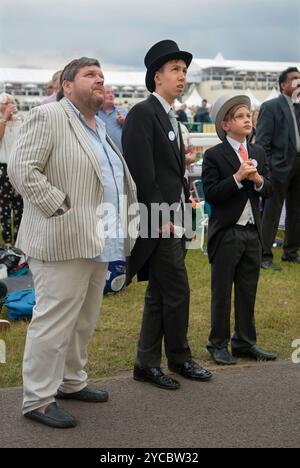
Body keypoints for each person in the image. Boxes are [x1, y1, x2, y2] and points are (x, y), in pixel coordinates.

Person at [8, 57, 137, 429]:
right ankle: (38, 398)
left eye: (102, 75)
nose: (100, 80)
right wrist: (59, 207)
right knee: (53, 319)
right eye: (90, 75)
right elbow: (21, 168)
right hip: (61, 237)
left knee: (84, 318)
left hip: (98, 239)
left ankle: (71, 381)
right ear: (67, 86)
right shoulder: (49, 116)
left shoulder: (98, 127)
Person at [122, 40, 213, 390]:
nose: (182, 76)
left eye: (184, 70)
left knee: (161, 292)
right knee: (177, 291)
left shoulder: (169, 115)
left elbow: (166, 171)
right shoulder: (144, 113)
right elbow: (142, 172)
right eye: (175, 69)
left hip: (173, 216)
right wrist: (160, 217)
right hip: (157, 219)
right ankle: (179, 357)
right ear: (156, 76)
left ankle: (146, 363)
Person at [202, 94, 277, 366]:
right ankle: (218, 344)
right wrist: (236, 178)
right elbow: (211, 194)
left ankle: (244, 342)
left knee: (248, 289)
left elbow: (269, 190)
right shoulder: (214, 155)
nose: (248, 120)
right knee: (221, 291)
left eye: (249, 116)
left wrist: (257, 179)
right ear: (225, 125)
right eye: (241, 116)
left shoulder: (258, 153)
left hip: (251, 232)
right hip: (227, 232)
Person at [256, 67, 300, 270]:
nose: (298, 82)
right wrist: (269, 169)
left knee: (296, 211)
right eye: (294, 79)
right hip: (277, 168)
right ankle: (264, 255)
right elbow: (262, 142)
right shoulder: (271, 106)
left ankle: (290, 252)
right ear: (283, 85)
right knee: (272, 212)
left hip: (298, 165)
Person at [0, 93, 23, 246]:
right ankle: (8, 244)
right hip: (3, 169)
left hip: (19, 167)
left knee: (21, 207)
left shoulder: (21, 121)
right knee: (5, 208)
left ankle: (21, 243)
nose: (10, 105)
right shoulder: (1, 122)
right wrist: (4, 117)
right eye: (6, 103)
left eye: (11, 102)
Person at [98, 85, 128, 153]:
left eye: (112, 93)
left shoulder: (123, 111)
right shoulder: (95, 113)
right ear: (101, 95)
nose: (111, 95)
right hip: (101, 154)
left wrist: (125, 123)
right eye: (108, 93)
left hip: (120, 154)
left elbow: (132, 131)